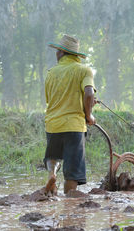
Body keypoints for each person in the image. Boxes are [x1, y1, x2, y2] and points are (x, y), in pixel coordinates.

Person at [43, 34, 96, 196]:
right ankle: (70, 205)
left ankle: (52, 173)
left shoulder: (51, 73)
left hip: (53, 124)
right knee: (72, 171)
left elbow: (49, 99)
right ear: (76, 55)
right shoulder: (84, 70)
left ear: (61, 52)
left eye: (57, 51)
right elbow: (88, 93)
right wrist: (89, 115)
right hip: (74, 126)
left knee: (53, 156)